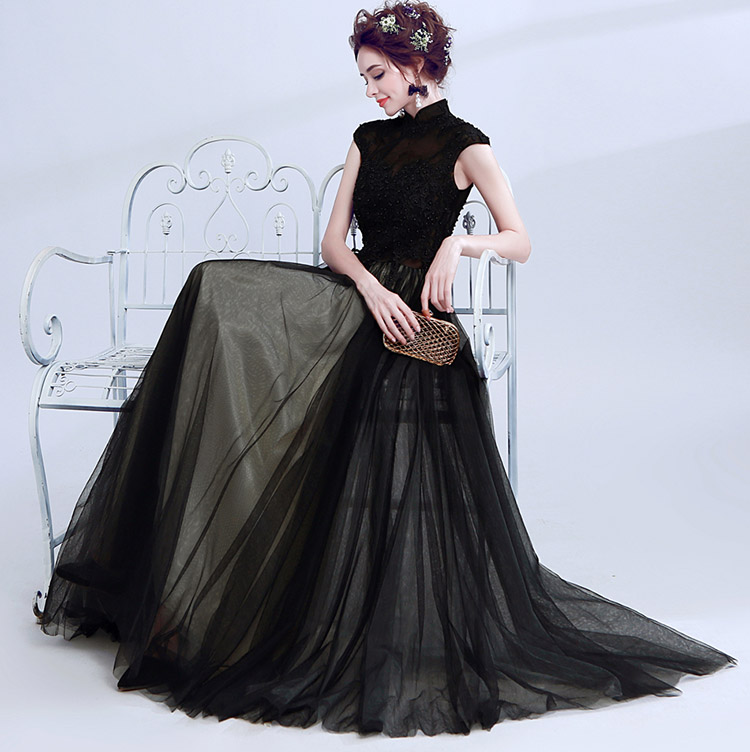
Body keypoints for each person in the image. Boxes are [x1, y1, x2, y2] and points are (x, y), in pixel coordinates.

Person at [38, 0, 736, 738]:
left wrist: (459, 246)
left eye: (377, 75)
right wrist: (369, 288)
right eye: (364, 77)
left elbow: (521, 239)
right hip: (360, 299)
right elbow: (333, 244)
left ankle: (341, 609)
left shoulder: (468, 146)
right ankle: (180, 587)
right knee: (214, 286)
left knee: (372, 388)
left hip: (416, 322)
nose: (369, 90)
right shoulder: (366, 138)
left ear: (416, 66)